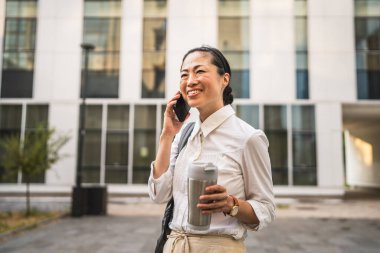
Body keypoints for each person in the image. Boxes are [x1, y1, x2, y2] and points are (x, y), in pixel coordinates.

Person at [148, 46, 275, 253]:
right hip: (174, 246)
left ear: (224, 79)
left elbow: (266, 208)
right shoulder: (184, 135)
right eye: (184, 74)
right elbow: (159, 194)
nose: (190, 81)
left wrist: (230, 204)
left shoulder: (248, 138)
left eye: (199, 71)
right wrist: (167, 135)